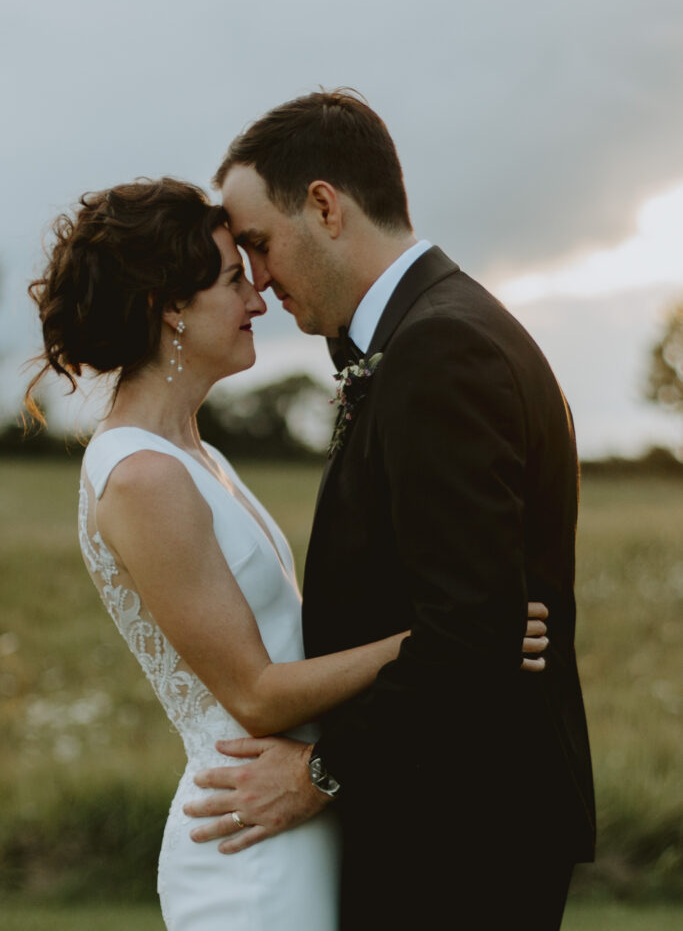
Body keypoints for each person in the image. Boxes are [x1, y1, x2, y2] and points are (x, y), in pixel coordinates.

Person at [25, 176, 550, 931]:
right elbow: (256, 694)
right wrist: (452, 635)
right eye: (235, 280)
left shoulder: (198, 456)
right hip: (245, 838)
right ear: (169, 306)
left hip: (292, 812)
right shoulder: (141, 476)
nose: (258, 301)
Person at [183, 90, 596, 931]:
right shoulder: (429, 331)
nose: (256, 278)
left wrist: (320, 774)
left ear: (325, 207)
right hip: (448, 818)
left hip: (460, 836)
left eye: (259, 243)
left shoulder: (439, 347)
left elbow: (471, 632)